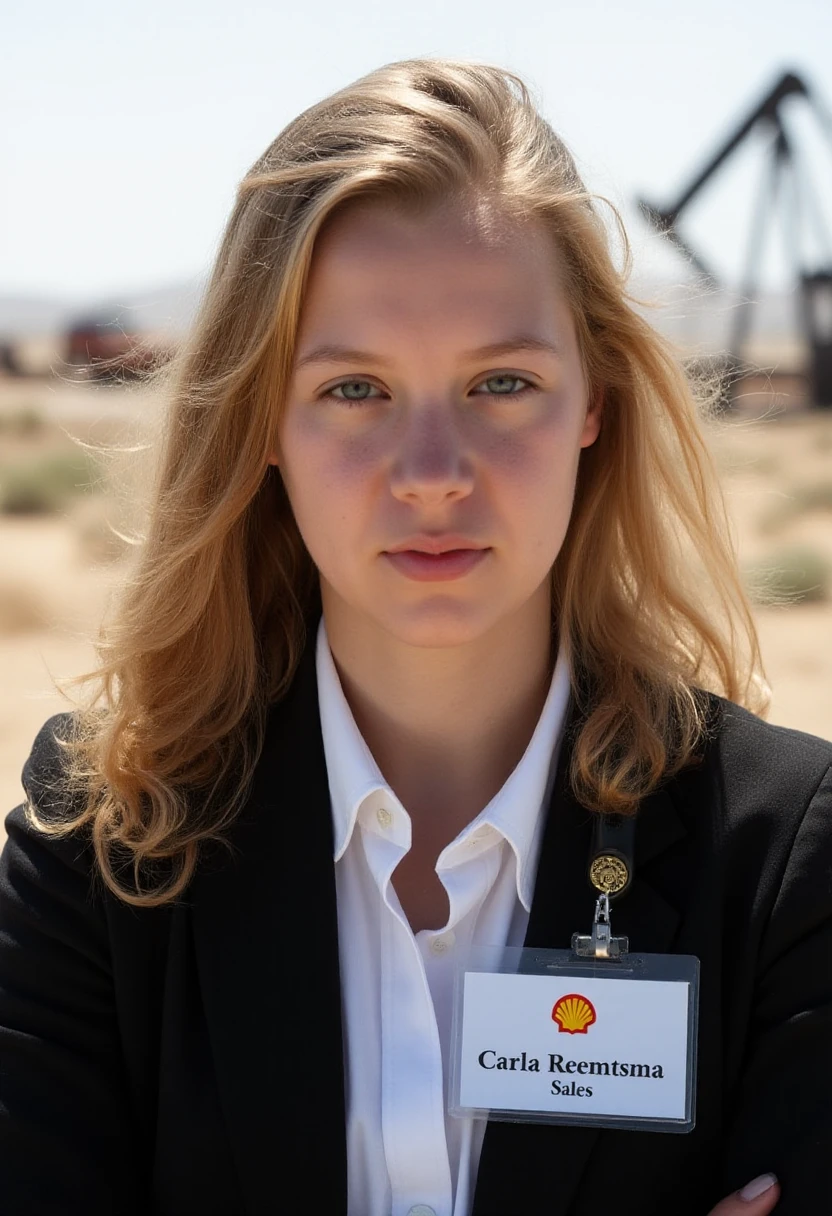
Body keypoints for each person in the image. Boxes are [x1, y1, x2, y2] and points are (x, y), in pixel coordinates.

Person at [1, 57, 830, 1216]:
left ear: (594, 399)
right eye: (354, 390)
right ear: (262, 422)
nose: (433, 476)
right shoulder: (98, 846)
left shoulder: (787, 857)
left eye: (501, 382)